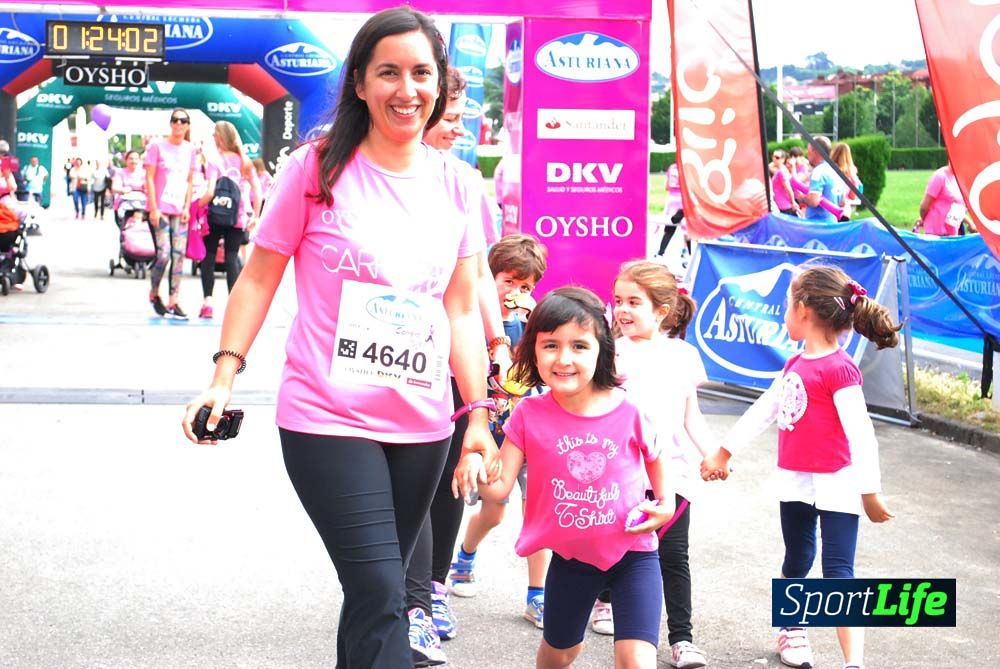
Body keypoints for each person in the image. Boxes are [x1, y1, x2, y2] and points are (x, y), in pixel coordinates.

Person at [181, 9, 500, 668]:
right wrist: (223, 374)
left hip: (423, 427)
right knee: (386, 589)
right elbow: (259, 276)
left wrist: (477, 415)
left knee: (370, 597)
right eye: (389, 72)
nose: (406, 90)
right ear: (359, 82)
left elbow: (462, 311)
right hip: (326, 417)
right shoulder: (316, 168)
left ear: (439, 84)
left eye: (421, 73)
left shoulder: (460, 186)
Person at [453, 287, 674, 669]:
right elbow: (501, 485)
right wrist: (475, 465)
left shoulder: (629, 410)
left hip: (634, 555)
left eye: (579, 346)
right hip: (572, 560)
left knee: (636, 660)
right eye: (550, 345)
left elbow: (656, 456)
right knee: (559, 654)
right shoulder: (528, 415)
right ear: (532, 351)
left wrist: (666, 503)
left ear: (601, 349)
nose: (564, 358)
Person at [701, 265, 898, 669]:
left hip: (839, 482)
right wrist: (724, 451)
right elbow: (764, 410)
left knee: (839, 570)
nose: (784, 315)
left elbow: (861, 434)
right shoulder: (795, 364)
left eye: (786, 306)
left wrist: (869, 490)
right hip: (795, 479)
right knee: (798, 556)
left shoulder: (840, 370)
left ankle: (853, 662)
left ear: (804, 309)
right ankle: (792, 626)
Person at [400, 64, 513, 666]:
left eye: (463, 116)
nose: (459, 128)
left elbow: (475, 281)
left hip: (456, 355)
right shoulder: (374, 173)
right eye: (452, 118)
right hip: (396, 357)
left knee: (451, 476)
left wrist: (497, 346)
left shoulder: (465, 182)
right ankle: (412, 601)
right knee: (414, 480)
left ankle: (434, 588)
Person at [595, 260, 720, 669]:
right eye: (618, 301)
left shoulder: (684, 355)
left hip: (675, 475)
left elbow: (691, 415)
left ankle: (682, 640)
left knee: (673, 553)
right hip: (622, 473)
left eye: (634, 301)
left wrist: (712, 452)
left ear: (662, 309)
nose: (623, 309)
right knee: (618, 543)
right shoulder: (610, 355)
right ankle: (604, 599)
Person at [446, 233, 550, 631]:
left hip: (531, 429)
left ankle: (537, 595)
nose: (516, 292)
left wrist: (534, 317)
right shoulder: (471, 317)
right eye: (508, 281)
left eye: (526, 286)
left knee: (539, 510)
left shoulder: (536, 323)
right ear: (488, 281)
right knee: (495, 504)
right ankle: (465, 557)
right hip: (488, 430)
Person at [196, 121, 262, 319]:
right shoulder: (245, 162)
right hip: (238, 216)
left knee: (208, 257)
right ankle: (234, 306)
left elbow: (209, 192)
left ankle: (207, 302)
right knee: (232, 257)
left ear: (220, 137)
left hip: (215, 214)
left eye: (215, 135)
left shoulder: (215, 161)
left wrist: (195, 208)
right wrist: (256, 216)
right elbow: (257, 191)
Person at [145, 107, 197, 319]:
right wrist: (154, 207)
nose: (178, 124)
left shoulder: (190, 149)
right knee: (164, 253)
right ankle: (154, 292)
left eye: (183, 120)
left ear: (187, 125)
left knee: (179, 256)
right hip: (161, 209)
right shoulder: (157, 147)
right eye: (175, 120)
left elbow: (190, 180)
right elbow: (149, 177)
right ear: (170, 123)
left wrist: (187, 207)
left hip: (179, 209)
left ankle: (174, 300)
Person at [917, 163, 973, 236]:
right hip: (936, 235)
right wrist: (925, 220)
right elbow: (924, 207)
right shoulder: (940, 176)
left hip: (953, 235)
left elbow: (956, 209)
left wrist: (970, 223)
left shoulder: (961, 179)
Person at [803, 137, 839, 224]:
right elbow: (842, 201)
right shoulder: (834, 170)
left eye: (809, 151)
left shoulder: (818, 172)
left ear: (816, 151)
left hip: (818, 225)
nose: (807, 154)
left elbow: (813, 201)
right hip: (832, 222)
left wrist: (803, 198)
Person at [655, 161, 683, 257]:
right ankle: (687, 253)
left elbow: (667, 187)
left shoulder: (672, 167)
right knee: (687, 230)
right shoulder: (687, 166)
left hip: (672, 201)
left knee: (669, 229)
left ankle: (660, 252)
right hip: (683, 201)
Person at [111, 150, 147, 223]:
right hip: (124, 205)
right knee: (124, 230)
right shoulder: (120, 172)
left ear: (140, 160)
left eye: (136, 159)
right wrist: (122, 190)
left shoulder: (145, 173)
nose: (133, 161)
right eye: (131, 158)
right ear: (126, 160)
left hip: (142, 205)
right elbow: (114, 187)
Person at [830, 143, 862, 221]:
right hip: (843, 206)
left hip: (829, 203)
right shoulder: (851, 173)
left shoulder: (828, 169)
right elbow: (852, 196)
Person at [771, 149, 800, 217]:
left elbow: (788, 188)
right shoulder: (781, 170)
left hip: (784, 206)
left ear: (783, 159)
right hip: (782, 205)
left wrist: (793, 202)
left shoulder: (782, 171)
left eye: (777, 157)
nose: (774, 159)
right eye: (773, 156)